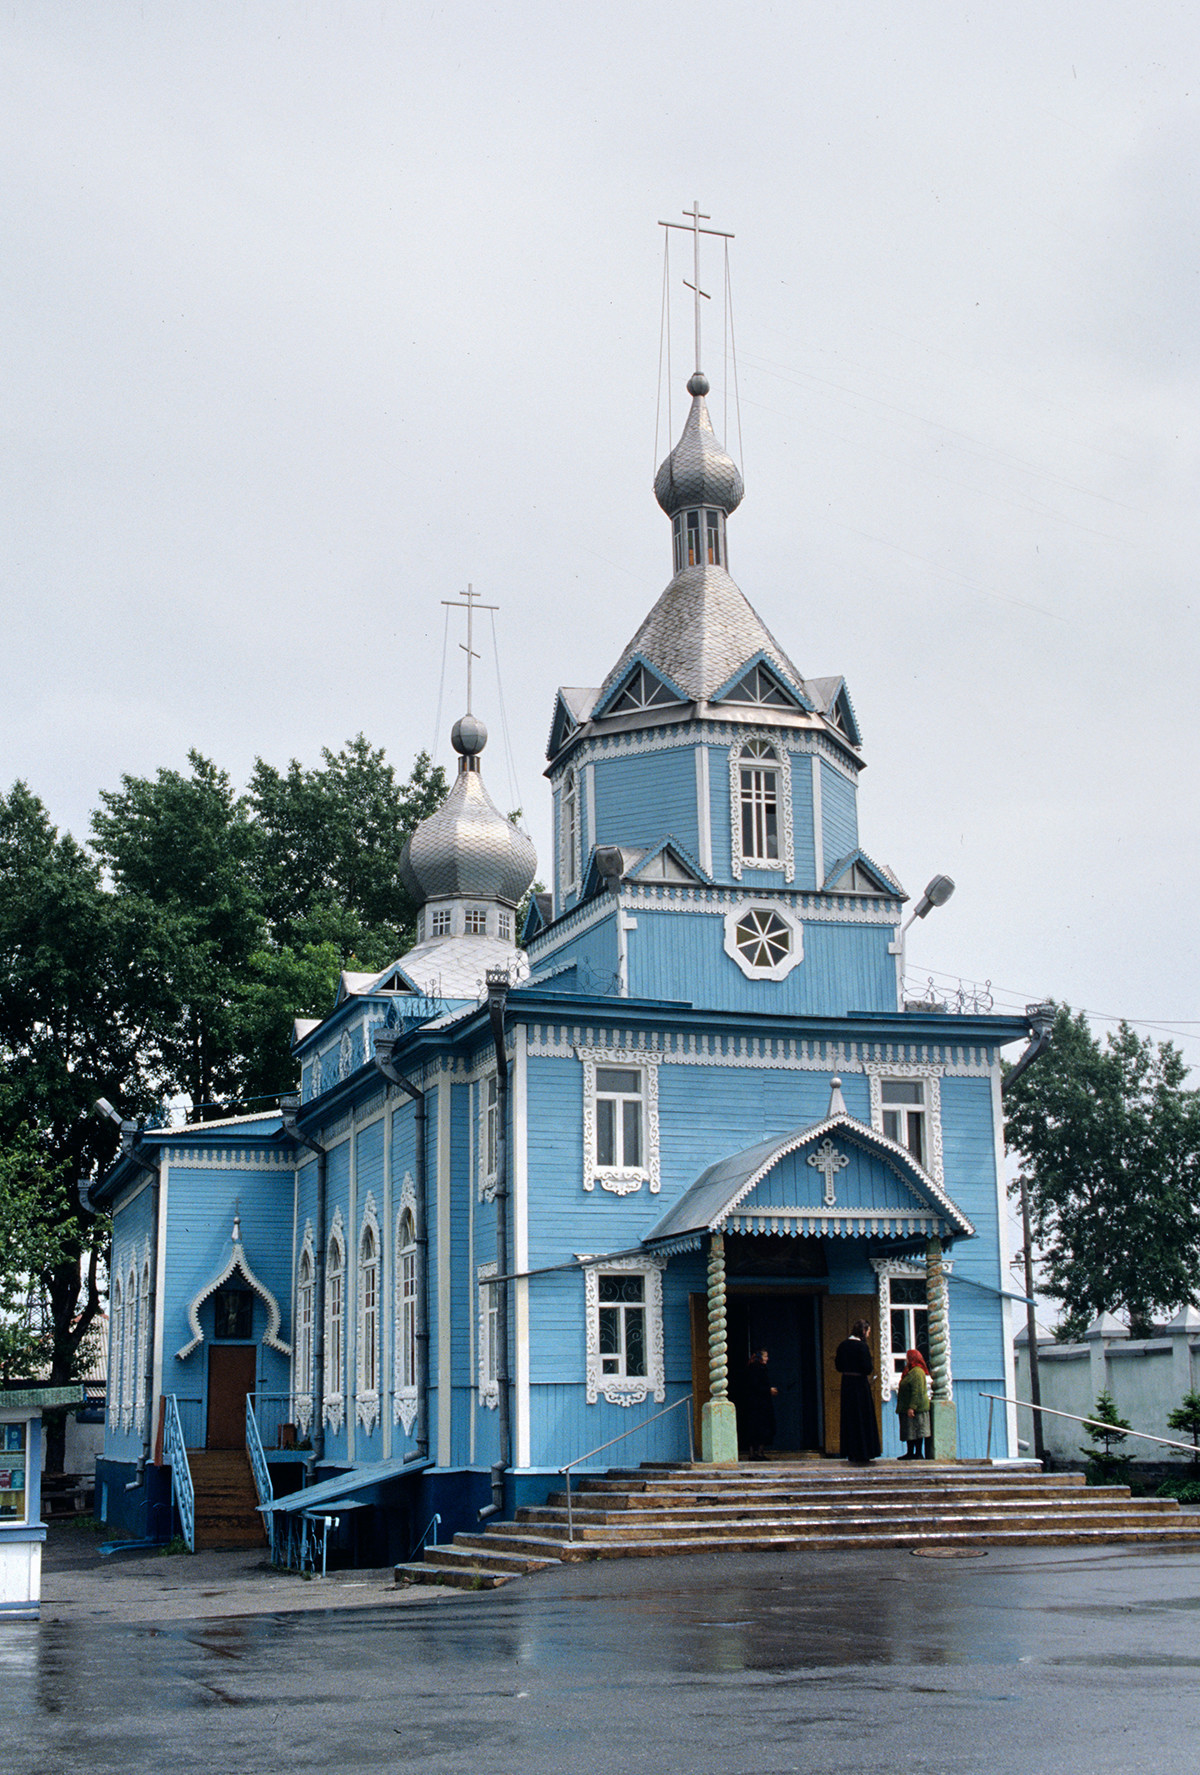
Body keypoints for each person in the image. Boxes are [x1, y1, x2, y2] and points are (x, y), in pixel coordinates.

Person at [835, 1319, 881, 1465]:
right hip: (860, 1385)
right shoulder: (862, 1347)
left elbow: (838, 1365)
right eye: (867, 1332)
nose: (868, 1335)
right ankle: (864, 1452)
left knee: (850, 1417)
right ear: (863, 1331)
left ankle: (851, 1451)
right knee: (862, 1416)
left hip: (847, 1384)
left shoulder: (843, 1345)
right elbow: (867, 1368)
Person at [739, 1348, 778, 1461]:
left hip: (758, 1404)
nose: (767, 1359)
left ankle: (756, 1452)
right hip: (757, 1405)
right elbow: (755, 1386)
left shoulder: (759, 1368)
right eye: (765, 1356)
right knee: (759, 1427)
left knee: (759, 1428)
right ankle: (757, 1453)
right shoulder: (755, 1369)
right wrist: (768, 1390)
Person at [896, 1346, 932, 1459]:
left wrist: (912, 1407)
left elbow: (917, 1391)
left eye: (908, 1357)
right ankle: (910, 1452)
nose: (906, 1360)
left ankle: (918, 1453)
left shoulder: (917, 1372)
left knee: (917, 1431)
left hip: (916, 1409)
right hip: (907, 1406)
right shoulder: (910, 1371)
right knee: (910, 1431)